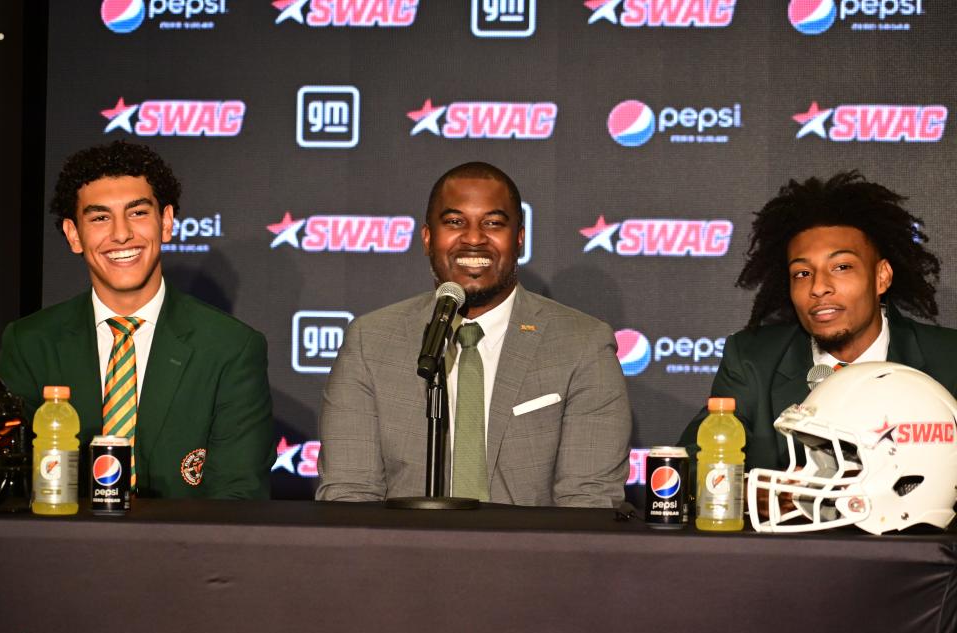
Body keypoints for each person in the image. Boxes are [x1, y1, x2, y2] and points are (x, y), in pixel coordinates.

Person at [317, 162, 631, 506]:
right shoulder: (371, 341)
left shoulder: (581, 345)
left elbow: (588, 504)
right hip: (403, 557)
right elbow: (349, 494)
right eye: (454, 222)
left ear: (520, 239)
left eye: (493, 223)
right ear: (427, 238)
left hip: (530, 557)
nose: (474, 238)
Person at [0, 140, 275, 498]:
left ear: (167, 222)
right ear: (73, 235)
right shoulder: (29, 343)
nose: (121, 233)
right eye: (99, 217)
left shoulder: (230, 348)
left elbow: (238, 500)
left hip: (186, 552)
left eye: (137, 213)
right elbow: (13, 487)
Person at [679, 170, 957, 471]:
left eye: (841, 267)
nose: (818, 287)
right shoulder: (751, 360)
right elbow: (694, 460)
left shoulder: (949, 359)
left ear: (881, 277)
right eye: (802, 273)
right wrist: (753, 492)